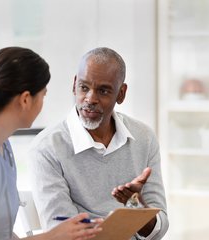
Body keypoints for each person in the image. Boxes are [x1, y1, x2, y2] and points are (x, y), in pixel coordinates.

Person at [0, 47, 102, 240]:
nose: (43, 103)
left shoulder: (2, 146)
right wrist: (52, 237)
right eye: (43, 95)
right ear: (26, 99)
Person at [29, 47, 169, 240]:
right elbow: (61, 232)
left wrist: (136, 206)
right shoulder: (47, 147)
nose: (90, 99)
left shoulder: (144, 137)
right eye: (84, 87)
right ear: (74, 85)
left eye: (103, 91)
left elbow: (159, 228)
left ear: (121, 93)